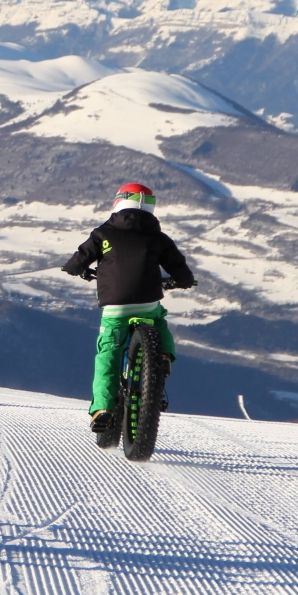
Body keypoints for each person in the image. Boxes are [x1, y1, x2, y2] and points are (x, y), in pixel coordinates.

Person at [61, 182, 196, 432]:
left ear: (119, 202)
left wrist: (74, 269)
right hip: (147, 303)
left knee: (107, 355)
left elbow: (77, 261)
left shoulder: (103, 234)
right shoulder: (158, 238)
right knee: (159, 320)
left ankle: (102, 408)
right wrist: (184, 281)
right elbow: (181, 269)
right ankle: (163, 355)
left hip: (116, 308)